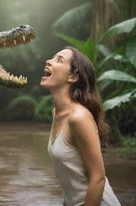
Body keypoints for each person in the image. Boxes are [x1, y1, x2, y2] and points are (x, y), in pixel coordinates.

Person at [40, 46, 121, 206]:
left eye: (59, 60)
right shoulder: (56, 113)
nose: (48, 61)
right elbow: (70, 183)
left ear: (72, 76)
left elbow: (98, 178)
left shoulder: (79, 117)